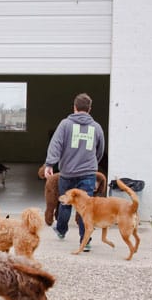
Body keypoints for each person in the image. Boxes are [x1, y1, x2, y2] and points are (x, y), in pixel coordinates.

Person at [43, 93, 105, 251]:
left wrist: (50, 164)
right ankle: (86, 241)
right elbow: (100, 150)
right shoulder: (96, 127)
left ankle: (61, 230)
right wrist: (92, 163)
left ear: (74, 107)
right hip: (88, 173)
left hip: (68, 173)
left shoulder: (65, 124)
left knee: (64, 203)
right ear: (90, 109)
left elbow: (55, 144)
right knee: (87, 207)